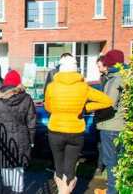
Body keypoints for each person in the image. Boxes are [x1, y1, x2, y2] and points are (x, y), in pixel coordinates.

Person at [45, 55, 112, 193]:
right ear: (76, 70)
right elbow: (107, 101)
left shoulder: (52, 87)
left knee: (59, 167)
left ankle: (60, 190)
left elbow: (48, 107)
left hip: (55, 131)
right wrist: (85, 108)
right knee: (70, 170)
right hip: (75, 132)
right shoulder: (83, 87)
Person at [0, 70, 36, 194]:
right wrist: (32, 141)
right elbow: (31, 122)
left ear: (5, 83)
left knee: (5, 171)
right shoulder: (26, 98)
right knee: (19, 171)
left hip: (3, 139)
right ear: (18, 83)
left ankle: (7, 190)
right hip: (21, 140)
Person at [94, 50, 126, 194]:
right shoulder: (124, 77)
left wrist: (91, 107)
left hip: (111, 126)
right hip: (122, 126)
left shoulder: (116, 79)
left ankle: (112, 191)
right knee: (120, 163)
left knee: (111, 163)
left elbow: (109, 103)